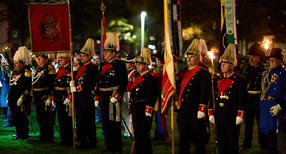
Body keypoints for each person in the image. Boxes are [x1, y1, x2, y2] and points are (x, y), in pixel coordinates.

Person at [208, 44, 247, 154]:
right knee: (221, 142)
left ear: (232, 65)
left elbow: (242, 99)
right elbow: (213, 96)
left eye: (225, 64)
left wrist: (240, 114)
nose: (222, 66)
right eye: (222, 64)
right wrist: (211, 111)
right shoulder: (217, 79)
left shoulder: (239, 80)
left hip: (231, 114)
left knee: (232, 143)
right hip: (219, 114)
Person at [175, 39, 211, 154]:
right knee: (183, 135)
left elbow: (205, 92)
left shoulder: (203, 73)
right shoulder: (183, 71)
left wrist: (202, 108)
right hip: (183, 108)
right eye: (188, 56)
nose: (188, 58)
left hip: (195, 108)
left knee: (198, 137)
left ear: (198, 58)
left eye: (191, 56)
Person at [94, 32, 128, 153]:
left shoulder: (119, 65)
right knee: (105, 123)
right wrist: (97, 96)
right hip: (103, 96)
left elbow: (124, 82)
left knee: (114, 123)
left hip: (113, 97)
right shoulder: (102, 65)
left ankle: (117, 147)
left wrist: (117, 96)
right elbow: (98, 82)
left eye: (107, 52)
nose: (105, 54)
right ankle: (109, 146)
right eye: (105, 52)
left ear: (113, 53)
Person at [69, 38, 98, 149]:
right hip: (79, 98)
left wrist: (76, 88)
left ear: (89, 56)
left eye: (84, 56)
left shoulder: (92, 67)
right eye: (81, 56)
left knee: (88, 122)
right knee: (80, 122)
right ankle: (82, 141)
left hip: (87, 98)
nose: (82, 58)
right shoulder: (81, 67)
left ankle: (91, 142)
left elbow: (88, 83)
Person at [129, 47, 158, 154]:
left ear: (146, 65)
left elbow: (152, 95)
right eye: (137, 64)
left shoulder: (150, 78)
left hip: (144, 108)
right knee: (137, 133)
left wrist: (149, 108)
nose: (137, 66)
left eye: (140, 64)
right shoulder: (137, 77)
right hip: (136, 108)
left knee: (144, 134)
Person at [240, 43, 268, 150]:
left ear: (259, 57)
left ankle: (263, 145)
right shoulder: (245, 68)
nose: (251, 58)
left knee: (261, 123)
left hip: (258, 99)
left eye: (254, 56)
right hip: (247, 98)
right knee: (248, 123)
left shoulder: (264, 69)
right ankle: (247, 144)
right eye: (250, 56)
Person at [259, 48, 286, 154]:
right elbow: (262, 93)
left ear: (280, 61)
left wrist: (280, 106)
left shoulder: (284, 74)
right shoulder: (266, 74)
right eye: (270, 60)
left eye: (274, 60)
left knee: (281, 135)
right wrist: (262, 107)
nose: (271, 62)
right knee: (270, 136)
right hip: (267, 108)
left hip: (279, 107)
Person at [8, 46, 31, 140]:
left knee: (21, 118)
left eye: (17, 63)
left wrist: (22, 98)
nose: (15, 65)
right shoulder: (14, 73)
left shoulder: (26, 72)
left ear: (22, 64)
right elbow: (11, 87)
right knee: (15, 117)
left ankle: (24, 134)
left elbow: (27, 87)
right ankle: (18, 133)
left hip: (20, 99)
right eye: (15, 63)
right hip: (13, 99)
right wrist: (8, 98)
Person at [32, 53, 56, 143]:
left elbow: (52, 85)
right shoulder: (39, 70)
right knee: (39, 118)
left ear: (46, 60)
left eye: (40, 58)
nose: (38, 59)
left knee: (46, 118)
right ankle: (42, 136)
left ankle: (48, 137)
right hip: (38, 97)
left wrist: (50, 97)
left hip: (45, 97)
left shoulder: (50, 69)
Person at [53, 52, 73, 146]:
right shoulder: (59, 69)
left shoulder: (71, 69)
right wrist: (53, 97)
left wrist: (70, 97)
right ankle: (63, 138)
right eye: (59, 58)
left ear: (68, 58)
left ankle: (69, 139)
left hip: (66, 95)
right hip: (58, 96)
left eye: (62, 58)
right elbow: (55, 84)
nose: (60, 60)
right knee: (60, 119)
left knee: (67, 119)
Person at [151, 47, 169, 141]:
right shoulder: (158, 69)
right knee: (156, 116)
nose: (156, 61)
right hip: (156, 95)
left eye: (158, 59)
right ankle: (157, 134)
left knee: (160, 117)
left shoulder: (164, 70)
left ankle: (163, 135)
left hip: (161, 96)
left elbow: (159, 78)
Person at [122, 55, 136, 137]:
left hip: (130, 94)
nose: (125, 64)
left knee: (131, 114)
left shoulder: (134, 73)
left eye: (127, 63)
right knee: (125, 114)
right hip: (124, 93)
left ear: (132, 64)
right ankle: (127, 131)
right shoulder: (123, 73)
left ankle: (132, 131)